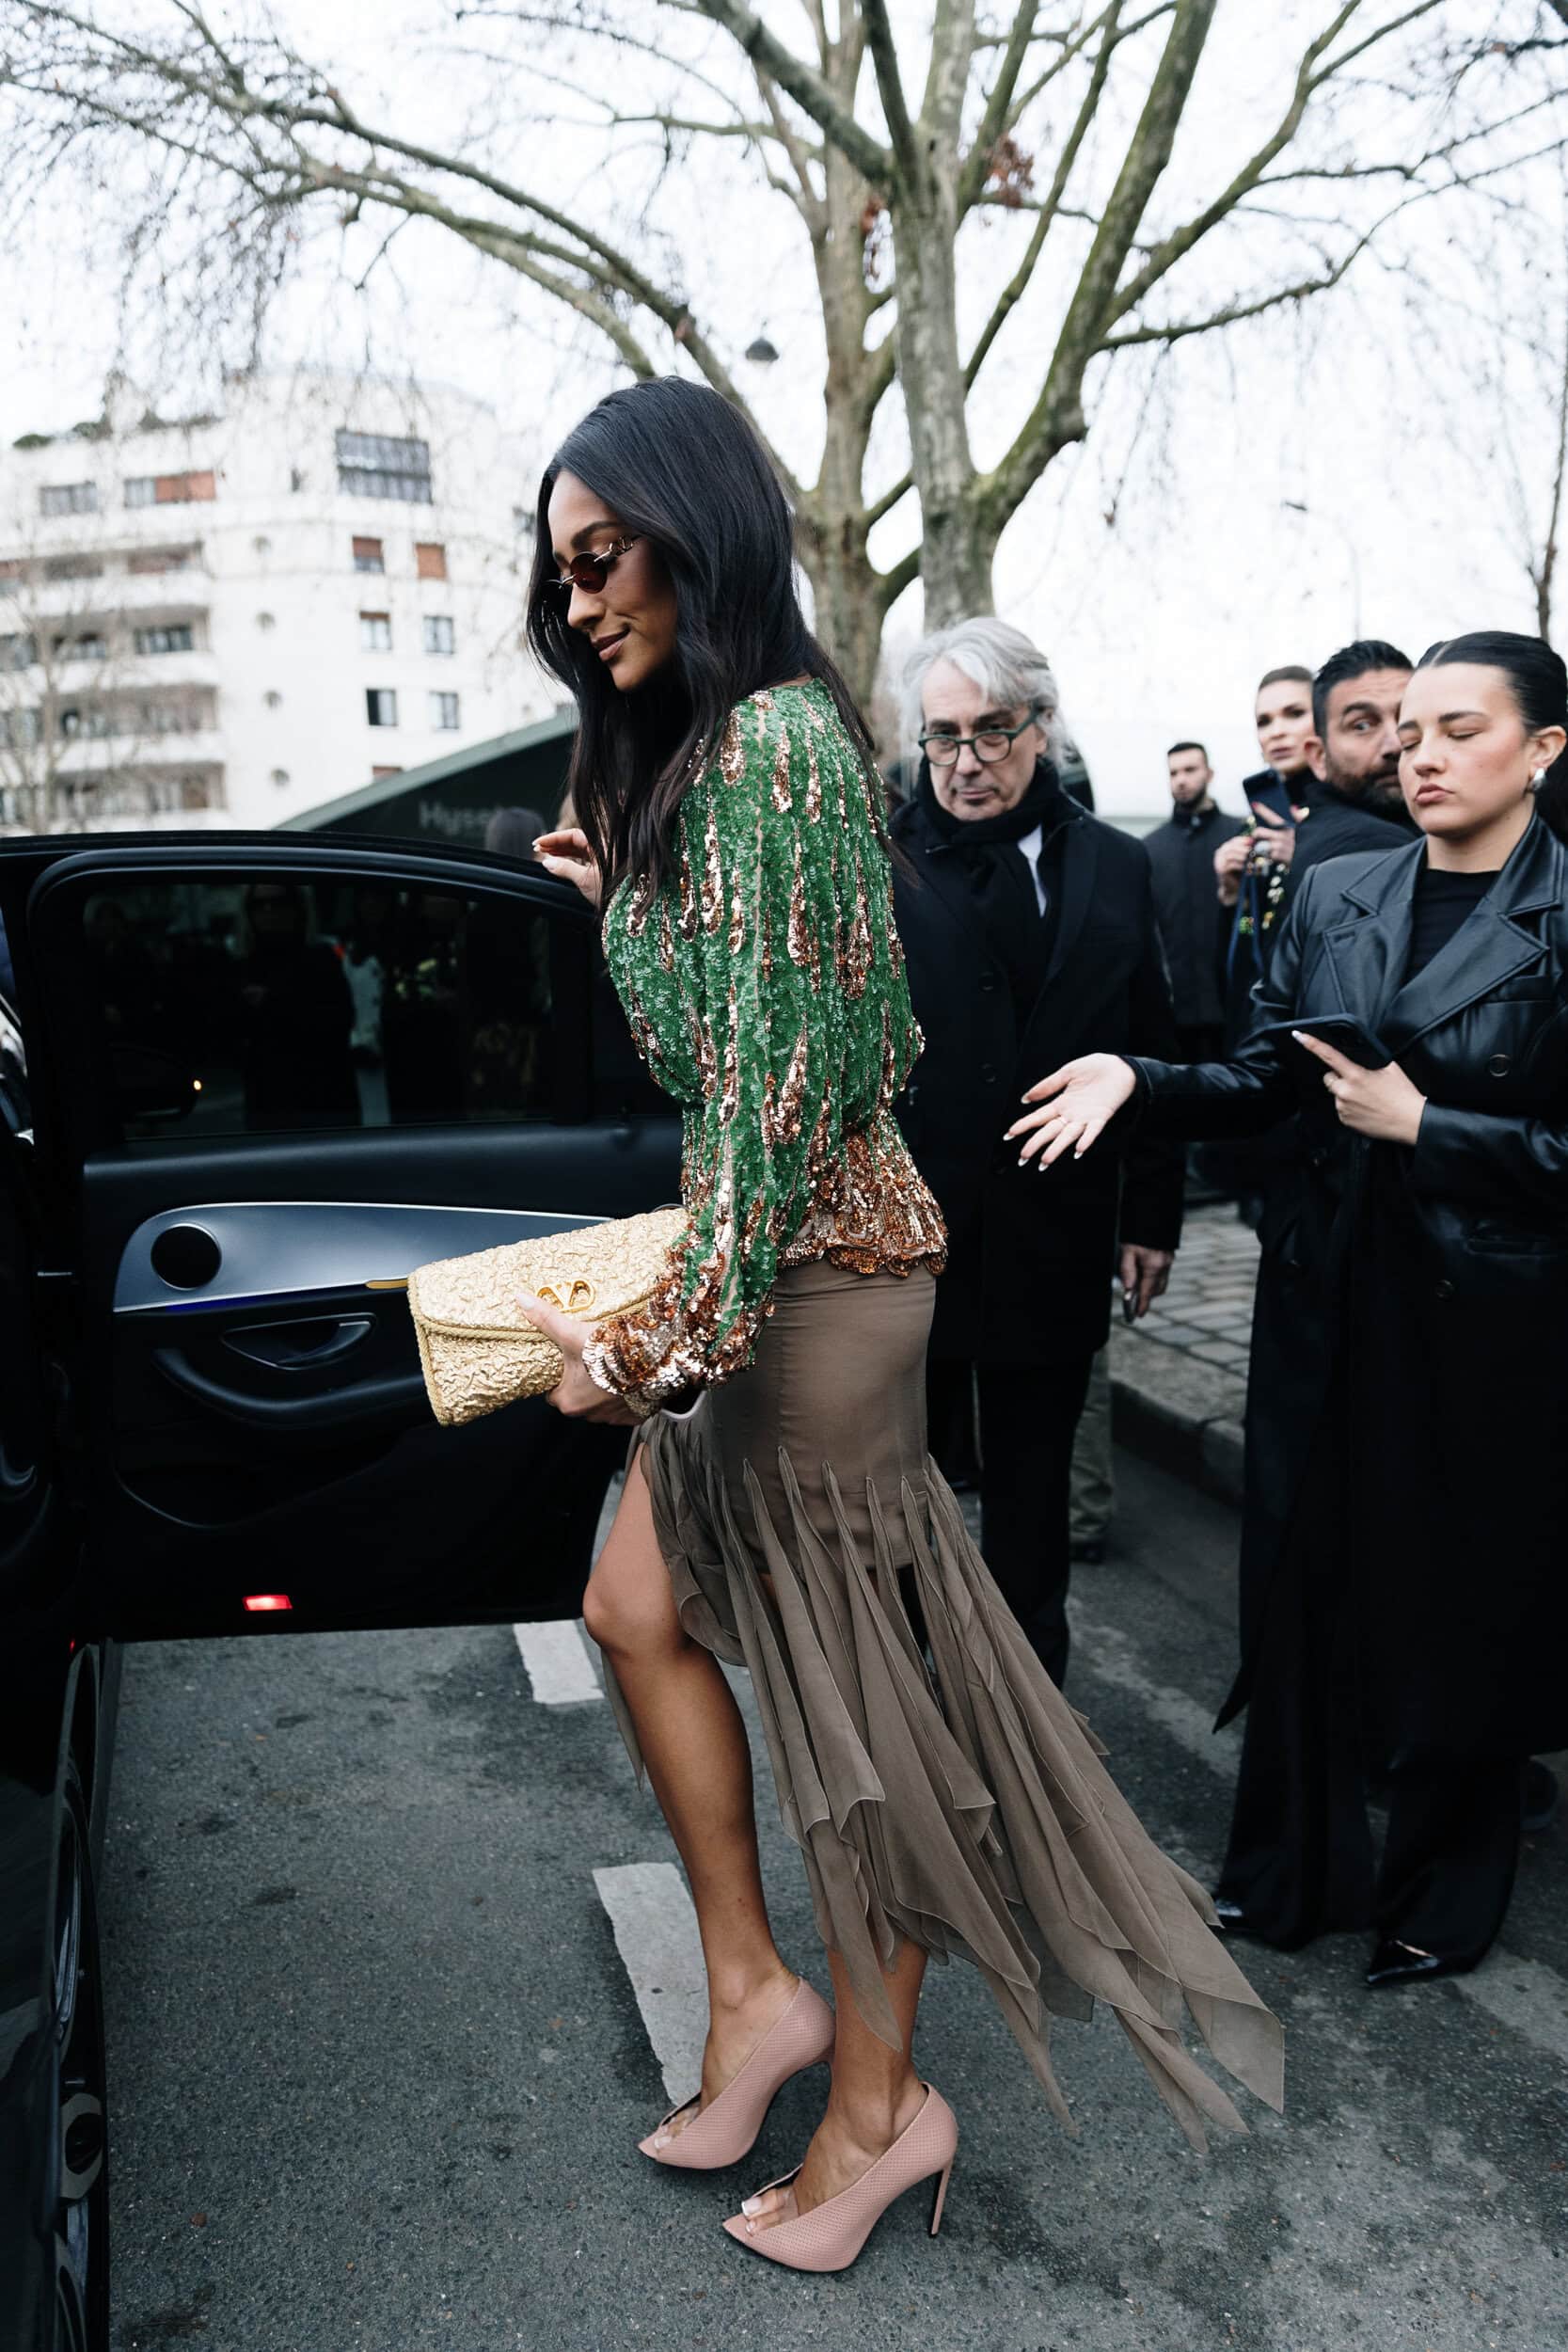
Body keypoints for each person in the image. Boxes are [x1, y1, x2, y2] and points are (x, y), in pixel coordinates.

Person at [518, 378, 1281, 2274]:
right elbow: (720, 1049)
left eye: (603, 558)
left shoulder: (776, 746)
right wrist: (623, 896)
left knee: (857, 1736)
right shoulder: (707, 763)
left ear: (696, 528)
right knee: (631, 1606)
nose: (581, 601)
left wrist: (654, 1347)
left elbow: (777, 1097)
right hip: (765, 1265)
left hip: (818, 1286)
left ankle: (876, 2111)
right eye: (561, 575)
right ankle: (757, 1997)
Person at [1011, 628, 1568, 1988]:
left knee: (1455, 1597)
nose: (1420, 756)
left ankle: (1442, 1886)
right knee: (1299, 1577)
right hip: (1324, 1291)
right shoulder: (1337, 889)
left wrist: (1426, 1126)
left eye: (1459, 731)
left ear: (1542, 750)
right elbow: (1266, 1074)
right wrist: (1139, 1078)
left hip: (1485, 1317)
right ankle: (1289, 1870)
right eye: (1408, 733)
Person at [888, 619, 1184, 1682]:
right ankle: (914, 1706)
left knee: (1032, 1500)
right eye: (941, 737)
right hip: (908, 1242)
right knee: (902, 1499)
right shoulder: (877, 863)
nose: (964, 762)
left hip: (1057, 1230)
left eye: (990, 732)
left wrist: (1150, 1216)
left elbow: (1151, 1042)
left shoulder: (1114, 863)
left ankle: (1029, 1713)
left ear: (1041, 727)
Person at [1283, 639, 1417, 898]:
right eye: (1362, 725)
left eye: (1407, 717)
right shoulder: (1369, 851)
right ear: (1319, 757)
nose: (1396, 744)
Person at [1146, 740, 1245, 1063]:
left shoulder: (1240, 838)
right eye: (1173, 773)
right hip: (1173, 1015)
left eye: (1190, 770)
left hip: (1234, 1008)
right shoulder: (1149, 849)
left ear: (1209, 773)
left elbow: (1254, 921)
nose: (1181, 780)